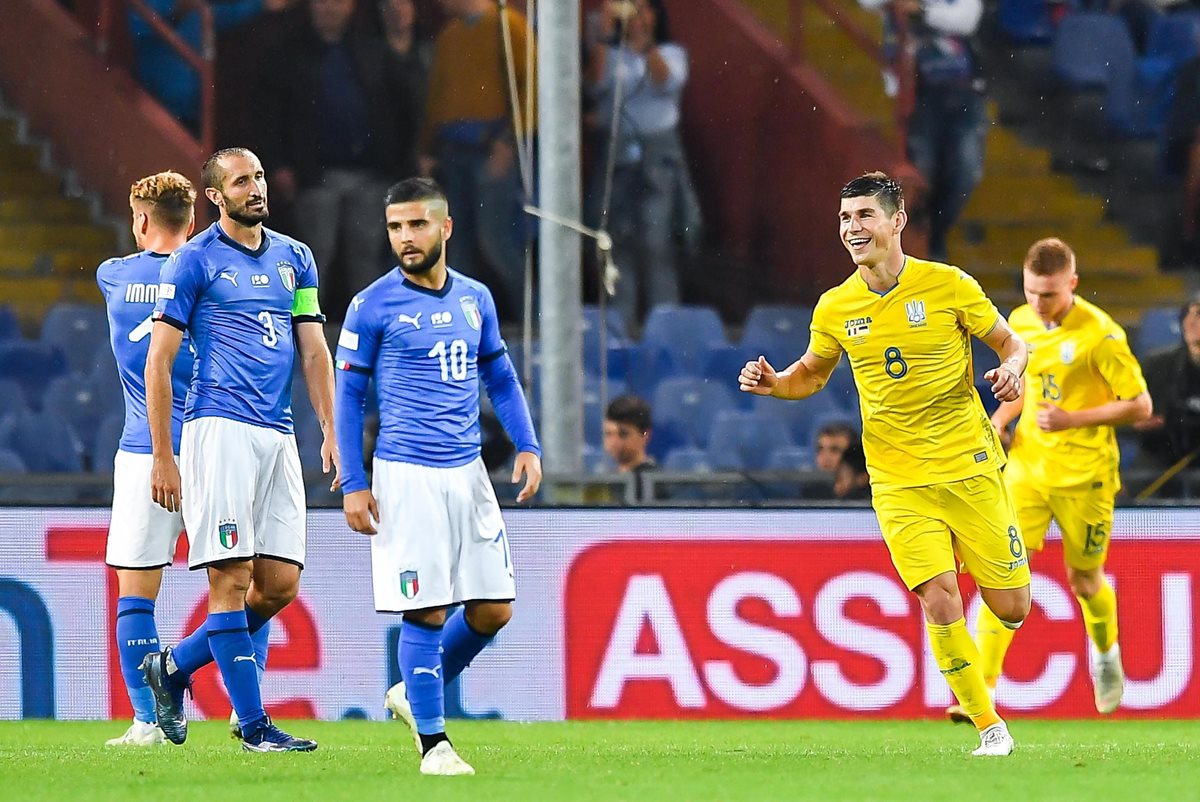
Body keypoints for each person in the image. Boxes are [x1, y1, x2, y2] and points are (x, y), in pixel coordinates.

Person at [738, 171, 1030, 757]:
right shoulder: (835, 306)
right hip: (897, 480)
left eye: (864, 215)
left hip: (969, 466)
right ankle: (990, 727)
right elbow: (811, 374)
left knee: (1012, 607)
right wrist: (776, 384)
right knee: (938, 598)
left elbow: (1011, 343)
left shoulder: (948, 284)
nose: (852, 228)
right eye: (845, 218)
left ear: (898, 221)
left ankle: (977, 563)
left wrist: (1012, 371)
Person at [334, 177, 542, 775]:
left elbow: (500, 376)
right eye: (395, 227)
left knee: (493, 608)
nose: (405, 237)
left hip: (468, 472)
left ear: (445, 228)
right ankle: (434, 745)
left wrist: (527, 444)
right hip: (407, 475)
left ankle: (413, 689)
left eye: (417, 224)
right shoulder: (371, 305)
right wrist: (355, 481)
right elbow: (349, 398)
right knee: (426, 610)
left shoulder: (476, 298)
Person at [142, 147, 339, 753]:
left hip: (278, 433)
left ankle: (173, 667)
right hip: (219, 428)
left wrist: (332, 430)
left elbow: (313, 350)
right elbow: (159, 361)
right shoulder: (194, 261)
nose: (255, 188)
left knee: (279, 584)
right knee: (231, 579)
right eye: (240, 182)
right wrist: (164, 456)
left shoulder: (295, 258)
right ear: (214, 197)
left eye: (258, 177)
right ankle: (254, 727)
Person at [946, 238, 1151, 724]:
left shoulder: (1101, 336)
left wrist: (1073, 420)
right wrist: (1001, 419)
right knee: (1004, 573)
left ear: (1073, 284)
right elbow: (1028, 388)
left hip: (1086, 478)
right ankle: (982, 692)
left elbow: (1140, 405)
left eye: (1050, 294)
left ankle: (1106, 655)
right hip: (1028, 471)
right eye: (1032, 292)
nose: (1039, 303)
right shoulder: (1018, 322)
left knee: (1084, 580)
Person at [96, 171, 197, 747]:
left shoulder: (113, 275)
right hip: (213, 443)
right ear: (193, 221)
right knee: (235, 586)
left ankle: (147, 722)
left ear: (139, 219)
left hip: (144, 450)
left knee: (135, 593)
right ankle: (245, 711)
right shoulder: (210, 273)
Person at [261, 0, 419, 315]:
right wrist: (278, 165)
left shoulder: (373, 50)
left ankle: (369, 326)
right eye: (322, 1)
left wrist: (400, 162)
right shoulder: (288, 52)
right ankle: (305, 328)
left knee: (367, 257)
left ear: (351, 7)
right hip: (316, 175)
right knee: (312, 258)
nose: (329, 8)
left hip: (370, 173)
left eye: (338, 1)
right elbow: (270, 113)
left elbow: (404, 106)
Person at [583, 0, 702, 329]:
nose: (636, 14)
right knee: (618, 239)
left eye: (643, 8)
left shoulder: (672, 53)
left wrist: (644, 43)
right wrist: (604, 36)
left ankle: (666, 322)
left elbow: (665, 81)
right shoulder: (612, 54)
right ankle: (622, 323)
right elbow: (593, 84)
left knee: (655, 239)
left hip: (657, 154)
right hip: (618, 153)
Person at [418, 0, 534, 319]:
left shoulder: (508, 26)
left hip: (491, 147)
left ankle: (534, 319)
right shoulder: (449, 36)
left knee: (495, 239)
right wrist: (427, 148)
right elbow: (437, 98)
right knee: (458, 244)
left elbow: (532, 88)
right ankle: (466, 322)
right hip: (453, 151)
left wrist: (509, 142)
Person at [858, 0, 987, 262]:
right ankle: (922, 241)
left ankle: (934, 234)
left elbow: (967, 18)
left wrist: (922, 11)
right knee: (922, 172)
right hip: (918, 91)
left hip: (963, 88)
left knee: (967, 171)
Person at [1136, 293, 1200, 474]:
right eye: (1197, 314)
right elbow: (1123, 418)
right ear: (1183, 323)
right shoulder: (1156, 364)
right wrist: (1136, 423)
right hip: (1160, 456)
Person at [602, 394, 659, 501]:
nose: (614, 442)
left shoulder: (658, 486)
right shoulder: (604, 484)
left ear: (645, 435)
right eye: (608, 434)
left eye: (623, 434)